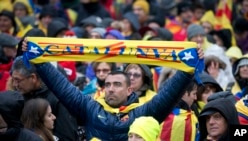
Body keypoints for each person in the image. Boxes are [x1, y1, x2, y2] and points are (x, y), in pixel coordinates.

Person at [22, 39, 204, 140]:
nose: (110, 89)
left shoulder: (143, 113)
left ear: (129, 90)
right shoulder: (90, 108)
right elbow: (61, 86)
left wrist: (188, 68)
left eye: (117, 85)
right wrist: (39, 60)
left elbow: (169, 93)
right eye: (107, 84)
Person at [11, 57, 78, 141]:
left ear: (33, 78)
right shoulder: (20, 97)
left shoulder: (59, 98)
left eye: (18, 80)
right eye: (13, 79)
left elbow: (68, 136)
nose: (14, 84)